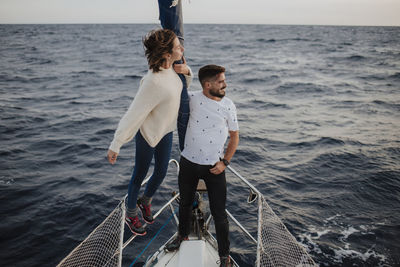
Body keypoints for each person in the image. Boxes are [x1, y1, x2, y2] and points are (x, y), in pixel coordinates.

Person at [107, 29, 192, 236]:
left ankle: (145, 201)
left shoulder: (173, 70)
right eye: (177, 46)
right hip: (147, 133)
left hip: (165, 130)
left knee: (162, 171)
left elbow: (183, 90)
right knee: (139, 175)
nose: (182, 47)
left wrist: (187, 72)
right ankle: (130, 212)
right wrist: (116, 143)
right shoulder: (152, 81)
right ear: (166, 53)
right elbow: (134, 114)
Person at [165, 65, 239, 267]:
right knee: (185, 204)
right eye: (221, 81)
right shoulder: (192, 99)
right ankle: (182, 237)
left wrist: (225, 162)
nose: (225, 84)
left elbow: (234, 136)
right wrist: (185, 69)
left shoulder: (229, 105)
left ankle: (225, 256)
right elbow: (175, 88)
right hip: (188, 162)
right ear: (208, 85)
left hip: (214, 168)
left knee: (219, 213)